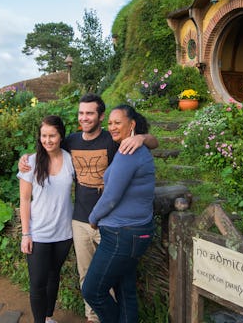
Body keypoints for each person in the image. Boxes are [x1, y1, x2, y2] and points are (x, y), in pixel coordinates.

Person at [19, 93, 157, 323]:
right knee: (87, 278)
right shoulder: (71, 142)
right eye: (81, 113)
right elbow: (47, 145)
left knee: (108, 282)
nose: (85, 117)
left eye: (90, 113)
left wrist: (142, 137)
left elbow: (154, 142)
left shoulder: (114, 140)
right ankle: (92, 319)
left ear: (100, 116)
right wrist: (25, 159)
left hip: (109, 222)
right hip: (81, 220)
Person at [82, 104, 155, 323]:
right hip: (133, 232)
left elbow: (111, 196)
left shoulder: (127, 153)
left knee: (92, 290)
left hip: (121, 235)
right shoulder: (135, 148)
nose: (112, 127)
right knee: (125, 291)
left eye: (117, 122)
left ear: (131, 125)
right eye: (110, 123)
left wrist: (93, 218)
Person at [17, 115, 75, 323]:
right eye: (43, 136)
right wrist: (26, 234)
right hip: (38, 232)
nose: (47, 140)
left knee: (53, 276)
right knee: (38, 283)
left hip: (64, 232)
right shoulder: (30, 163)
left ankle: (48, 317)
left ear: (61, 136)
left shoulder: (70, 159)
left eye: (52, 135)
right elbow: (24, 200)